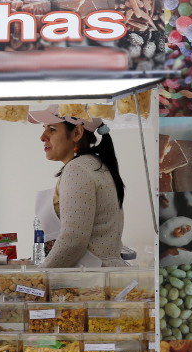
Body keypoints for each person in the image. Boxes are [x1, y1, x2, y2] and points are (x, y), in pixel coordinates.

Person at [28, 105, 129, 268]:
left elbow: (73, 239)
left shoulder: (78, 170)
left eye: (52, 129)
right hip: (100, 276)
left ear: (77, 133)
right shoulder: (93, 165)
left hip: (92, 279)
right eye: (44, 129)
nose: (42, 137)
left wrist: (41, 277)